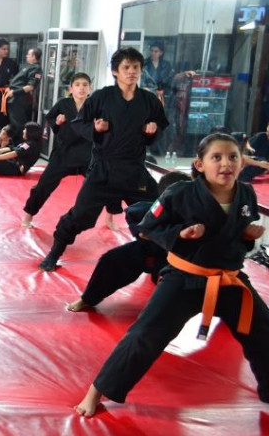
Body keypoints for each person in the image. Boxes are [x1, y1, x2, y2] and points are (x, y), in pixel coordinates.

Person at [75, 133, 269, 417]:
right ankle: (96, 391)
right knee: (146, 334)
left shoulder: (246, 195)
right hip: (185, 277)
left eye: (233, 157)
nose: (226, 163)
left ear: (242, 163)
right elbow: (147, 227)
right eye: (216, 157)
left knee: (263, 330)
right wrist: (180, 233)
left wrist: (247, 236)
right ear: (200, 164)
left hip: (229, 278)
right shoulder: (179, 193)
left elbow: (237, 239)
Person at [39, 48, 168, 272]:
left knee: (157, 213)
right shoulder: (101, 97)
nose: (131, 72)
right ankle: (55, 251)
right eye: (126, 67)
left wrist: (152, 131)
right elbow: (79, 123)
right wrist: (96, 129)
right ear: (115, 71)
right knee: (80, 216)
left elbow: (160, 127)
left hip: (134, 170)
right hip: (103, 169)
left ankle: (158, 261)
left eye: (135, 67)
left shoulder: (149, 100)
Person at [66, 171, 191, 312]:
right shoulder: (146, 211)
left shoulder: (198, 213)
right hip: (153, 253)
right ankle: (88, 299)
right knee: (111, 259)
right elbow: (142, 233)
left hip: (183, 261)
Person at [22, 73, 121, 229]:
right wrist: (58, 122)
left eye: (85, 85)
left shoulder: (96, 106)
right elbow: (51, 119)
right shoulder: (63, 104)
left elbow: (108, 127)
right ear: (71, 89)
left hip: (89, 154)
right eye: (77, 85)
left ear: (90, 88)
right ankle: (28, 215)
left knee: (108, 181)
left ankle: (110, 217)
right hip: (64, 153)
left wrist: (103, 127)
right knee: (44, 184)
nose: (81, 88)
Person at [6, 48, 43, 135]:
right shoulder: (28, 67)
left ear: (34, 56)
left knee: (18, 125)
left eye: (28, 54)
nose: (26, 56)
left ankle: (20, 142)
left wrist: (14, 92)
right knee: (13, 123)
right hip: (13, 99)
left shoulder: (36, 69)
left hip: (19, 100)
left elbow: (30, 87)